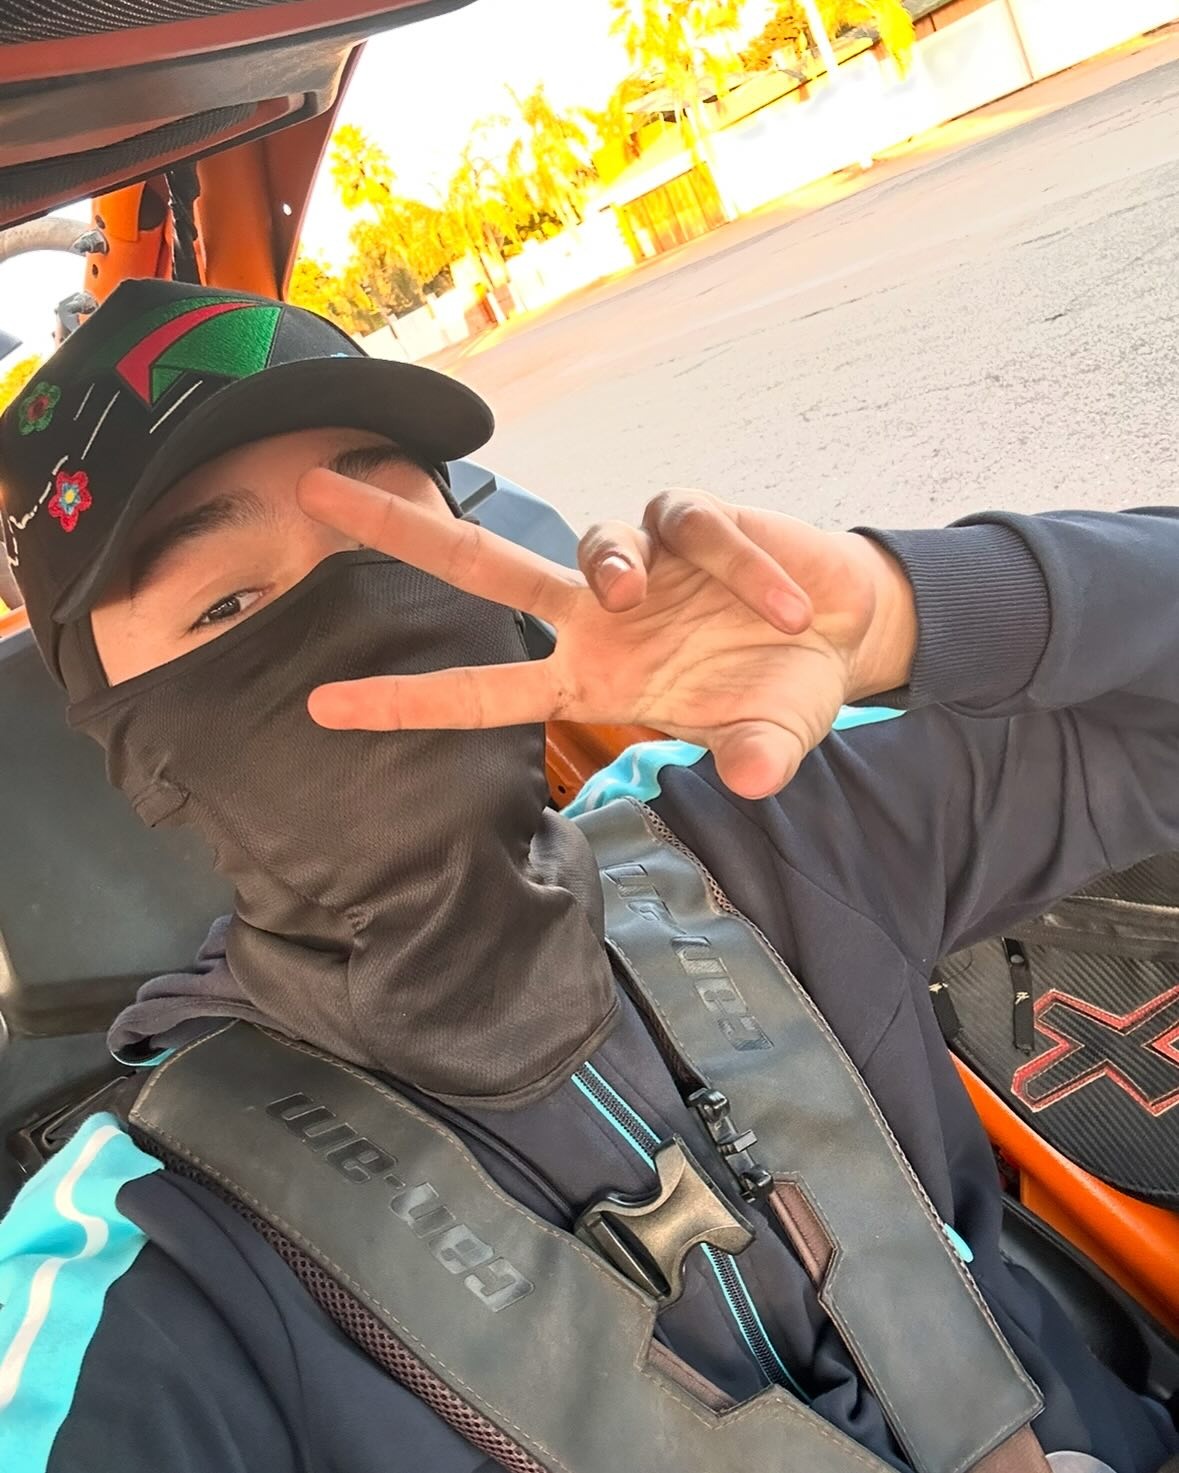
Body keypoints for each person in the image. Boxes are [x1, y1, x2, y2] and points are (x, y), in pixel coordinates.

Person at [0, 279, 1176, 1473]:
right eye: (231, 604)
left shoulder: (756, 823)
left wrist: (904, 615)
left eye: (388, 528)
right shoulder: (153, 1259)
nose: (357, 613)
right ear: (131, 742)